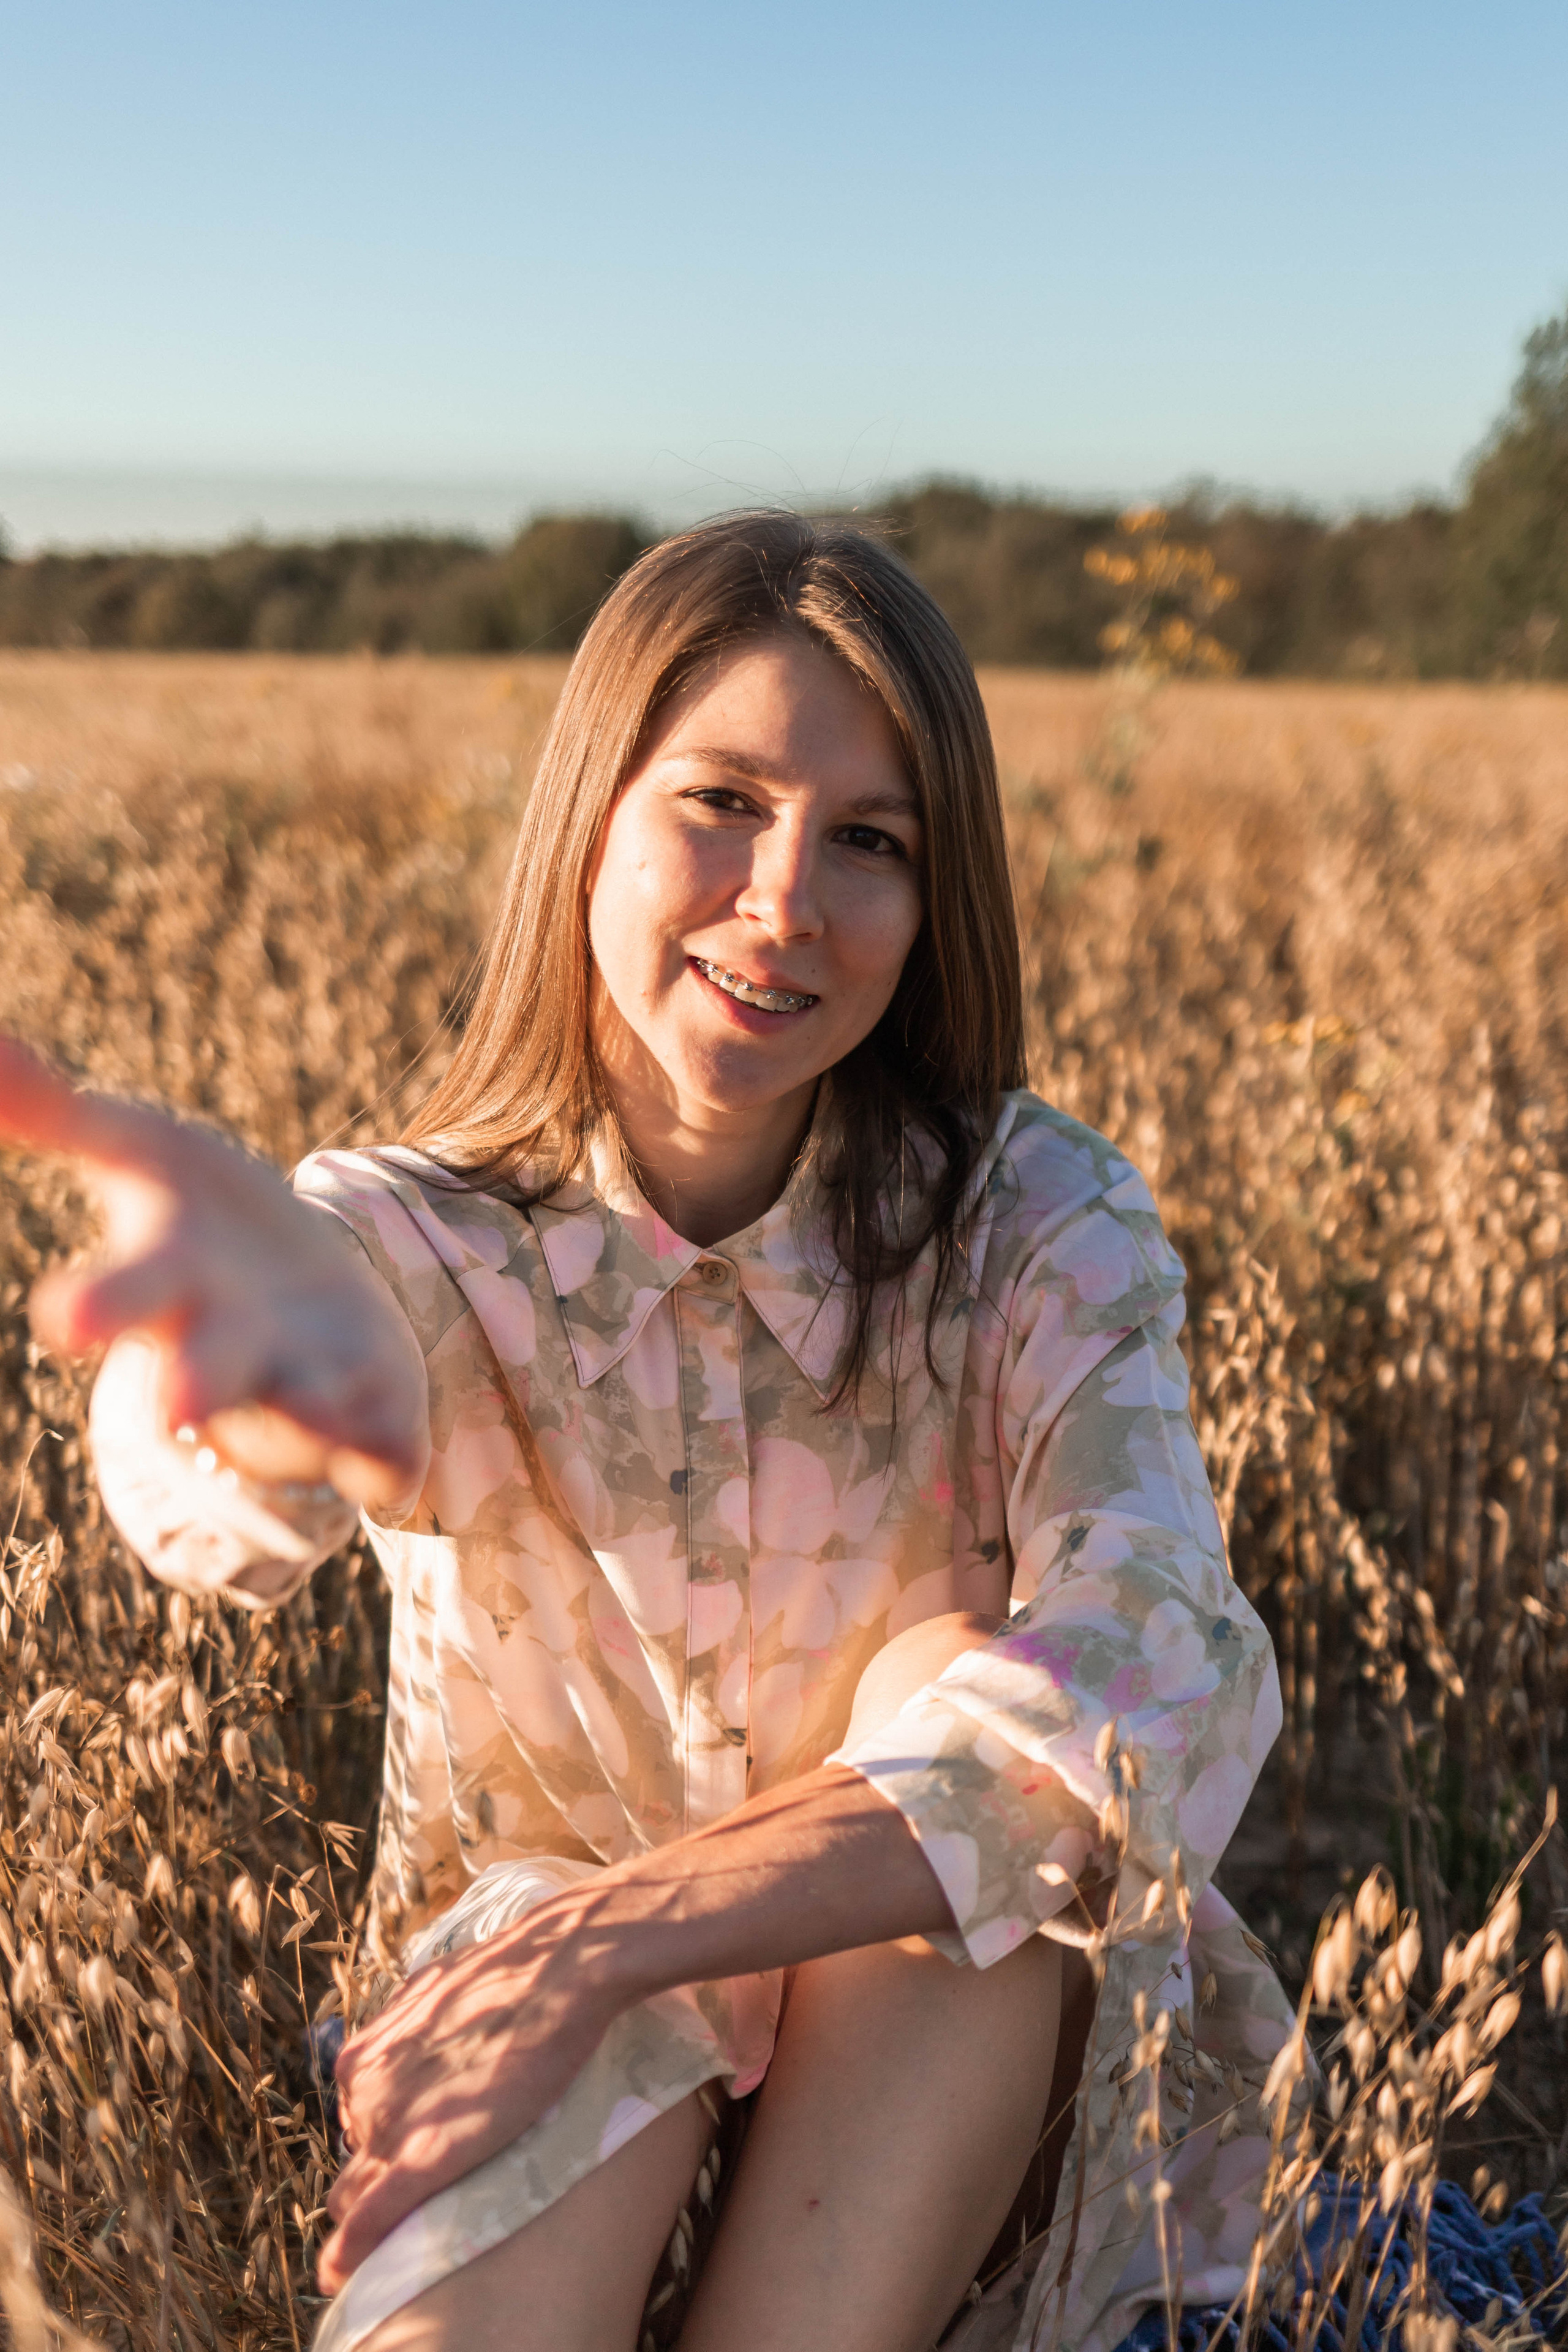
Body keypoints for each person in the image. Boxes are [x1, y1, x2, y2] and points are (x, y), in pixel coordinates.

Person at [0, 512, 1295, 2352]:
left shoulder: (1037, 1221)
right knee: (556, 1957)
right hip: (536, 2064)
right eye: (719, 802)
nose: (786, 901)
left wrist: (637, 1926)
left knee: (952, 1740)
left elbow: (1164, 1671)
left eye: (869, 840)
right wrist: (259, 1392)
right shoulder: (412, 1239)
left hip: (935, 2113)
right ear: (587, 813)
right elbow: (228, 1478)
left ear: (936, 904)